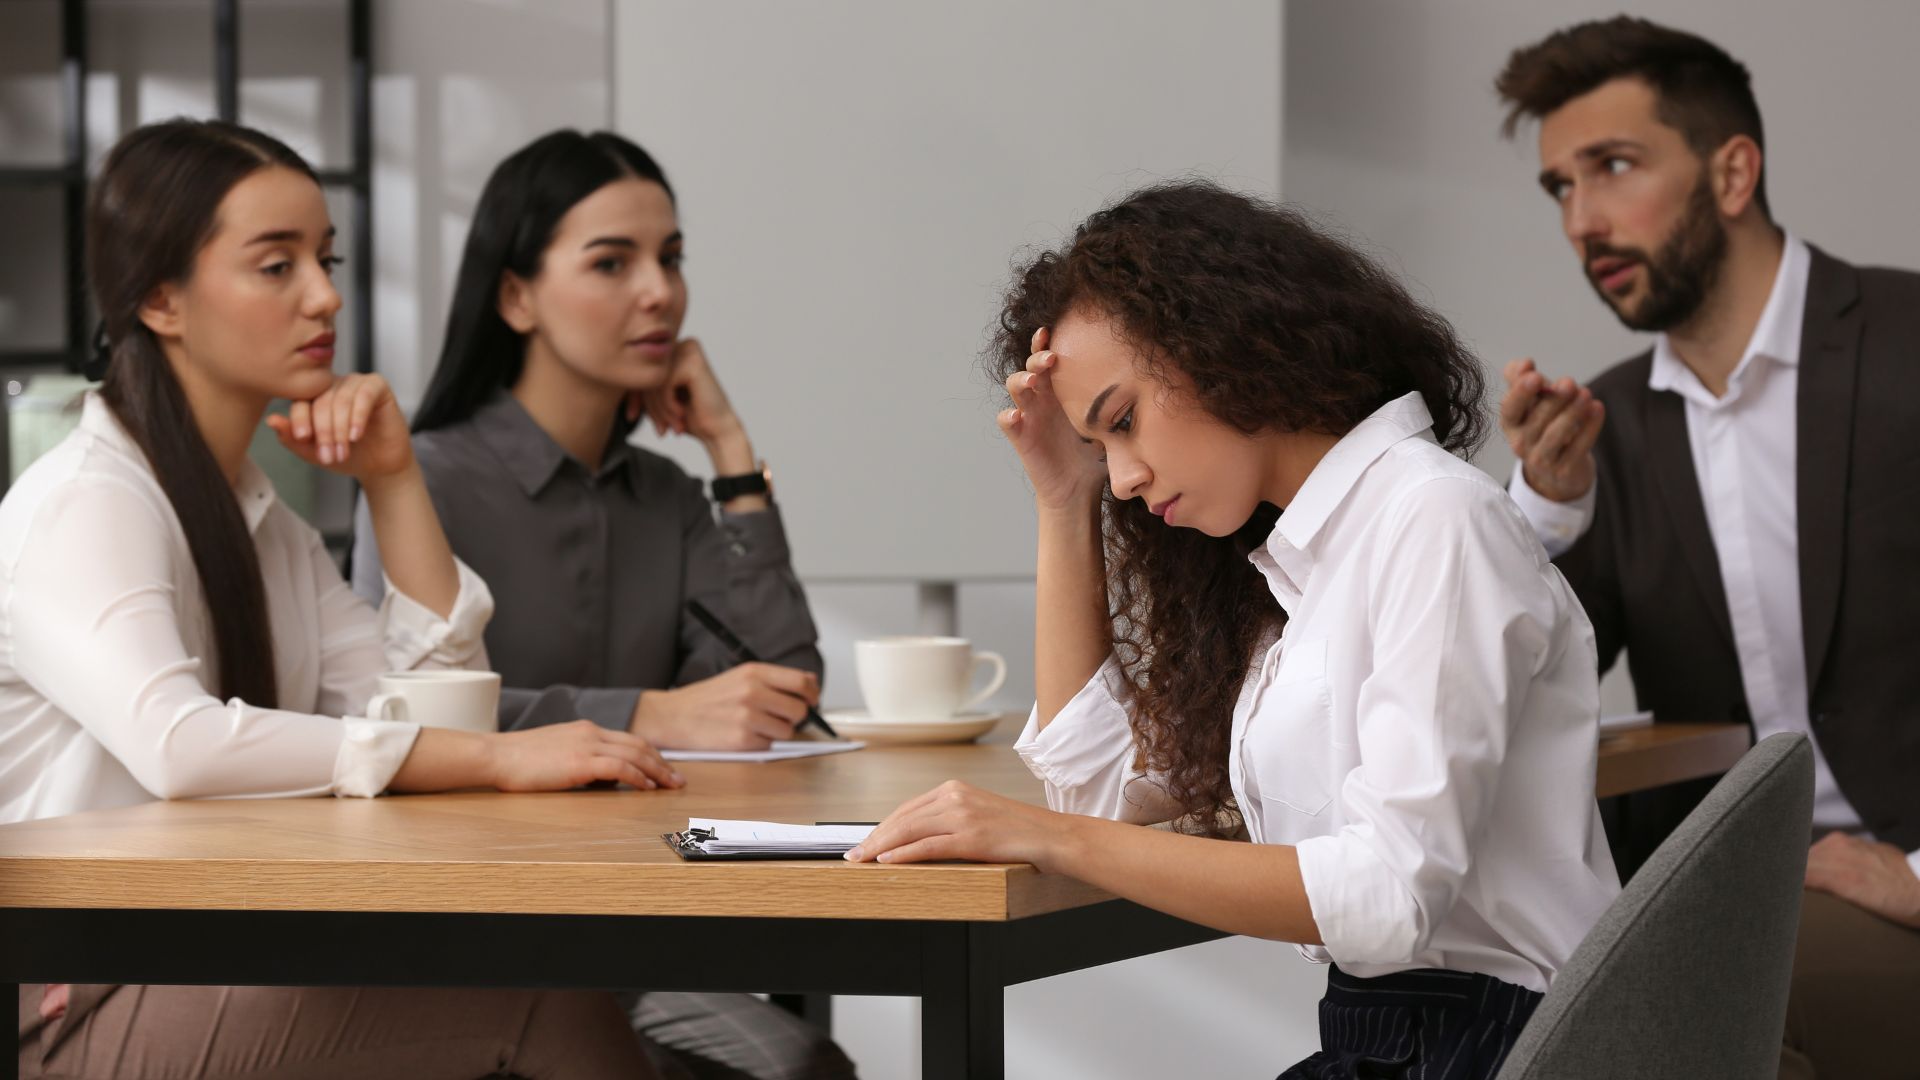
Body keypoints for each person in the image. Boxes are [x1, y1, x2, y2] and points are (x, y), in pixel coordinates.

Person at [846, 181, 1619, 1080]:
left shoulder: (1435, 519)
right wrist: (1064, 501)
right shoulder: (1293, 574)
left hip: (1511, 1048)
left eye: (1124, 422)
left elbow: (1388, 897)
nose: (1124, 478)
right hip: (1402, 1040)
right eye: (1100, 449)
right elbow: (1095, 803)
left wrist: (1047, 839)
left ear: (1225, 344)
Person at [1, 119, 673, 1078]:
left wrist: (393, 480)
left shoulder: (259, 518)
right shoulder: (88, 502)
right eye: (277, 266)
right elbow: (182, 744)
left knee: (532, 978)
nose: (325, 296)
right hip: (69, 1014)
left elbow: (428, 710)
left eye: (327, 259)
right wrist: (496, 758)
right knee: (539, 995)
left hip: (210, 956)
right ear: (159, 299)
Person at [349, 130, 848, 1080]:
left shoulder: (668, 496)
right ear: (515, 297)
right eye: (612, 262)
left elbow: (785, 690)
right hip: (466, 938)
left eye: (671, 258)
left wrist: (731, 456)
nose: (659, 292)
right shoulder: (423, 481)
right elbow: (389, 719)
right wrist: (646, 716)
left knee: (801, 1069)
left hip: (642, 925)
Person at [1492, 18, 1920, 1078]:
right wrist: (1546, 509)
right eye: (1559, 188)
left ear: (1733, 173)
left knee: (1686, 1016)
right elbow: (1508, 695)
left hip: (1896, 896)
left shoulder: (1910, 344)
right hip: (1722, 891)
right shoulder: (1607, 429)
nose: (1582, 219)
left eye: (1614, 167)